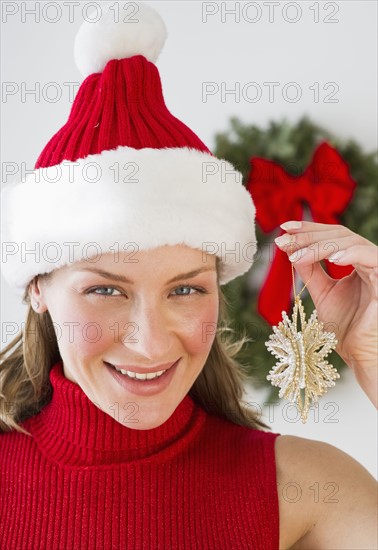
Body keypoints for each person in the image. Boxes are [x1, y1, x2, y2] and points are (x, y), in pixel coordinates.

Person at [1, 3, 377, 549]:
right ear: (38, 286)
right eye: (104, 289)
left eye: (185, 289)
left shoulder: (302, 488)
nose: (150, 342)